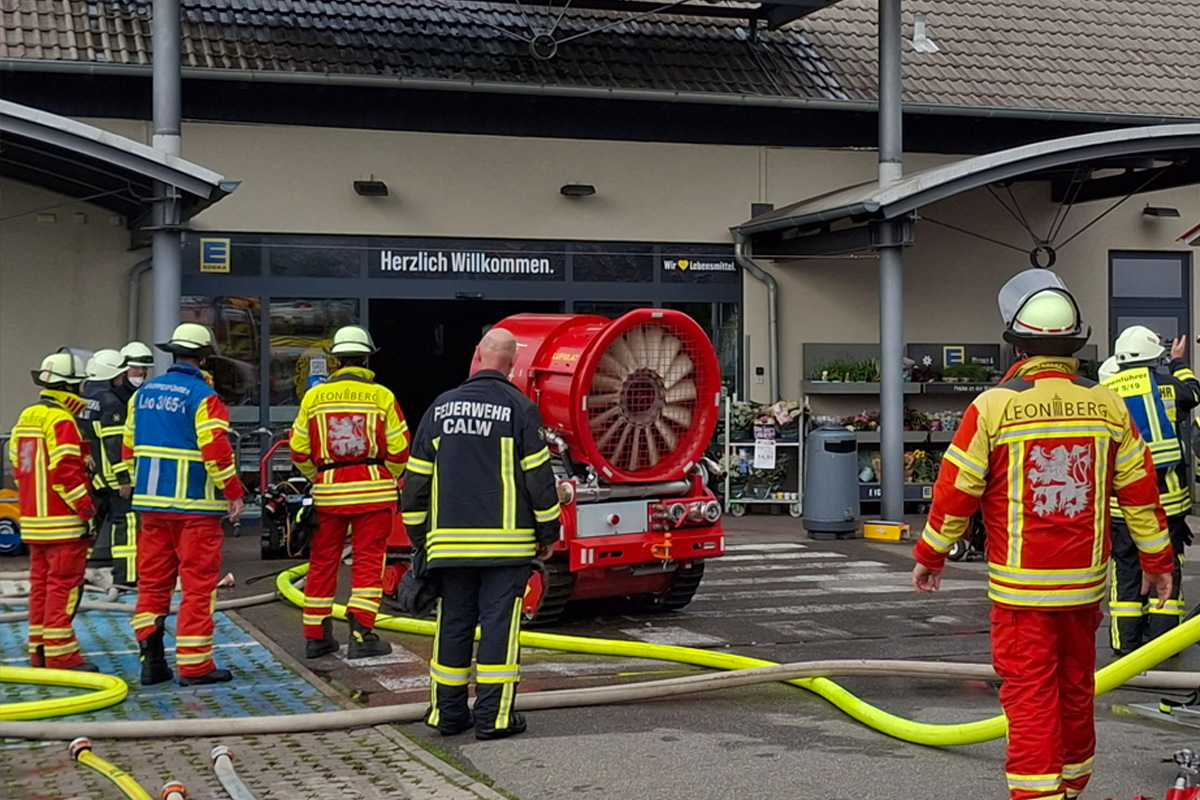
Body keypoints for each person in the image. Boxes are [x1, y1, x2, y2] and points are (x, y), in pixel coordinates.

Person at [911, 268, 1174, 800]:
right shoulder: (1107, 406)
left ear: (1016, 340)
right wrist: (1157, 561)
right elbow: (1141, 493)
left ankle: (1038, 794)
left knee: (1030, 695)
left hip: (1020, 591)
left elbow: (956, 490)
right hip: (1084, 587)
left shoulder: (993, 407)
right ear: (1074, 342)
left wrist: (931, 553)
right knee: (1076, 689)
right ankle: (1073, 786)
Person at [402, 327, 562, 741]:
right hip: (505, 548)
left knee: (452, 625)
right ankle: (494, 717)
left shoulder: (439, 409)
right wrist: (548, 532)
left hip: (449, 547)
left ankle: (448, 713)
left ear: (476, 355)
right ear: (511, 363)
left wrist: (420, 539)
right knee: (498, 629)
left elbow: (415, 484)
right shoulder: (521, 409)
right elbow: (539, 482)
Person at [122, 323, 245, 686]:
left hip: (150, 507)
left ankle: (152, 662)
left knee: (152, 584)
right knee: (197, 585)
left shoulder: (142, 394)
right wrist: (233, 492)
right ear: (205, 357)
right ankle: (194, 665)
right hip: (194, 509)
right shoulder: (204, 396)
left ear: (173, 355)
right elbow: (216, 452)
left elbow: (128, 448)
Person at [290, 325, 409, 659]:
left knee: (323, 561)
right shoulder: (382, 395)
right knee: (369, 561)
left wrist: (323, 475)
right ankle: (361, 634)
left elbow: (298, 449)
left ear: (336, 360)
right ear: (367, 358)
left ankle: (316, 637)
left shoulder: (314, 397)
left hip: (329, 494)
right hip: (374, 492)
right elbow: (400, 449)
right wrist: (387, 476)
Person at [1103, 325, 1200, 654]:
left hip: (1122, 506)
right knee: (1167, 568)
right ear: (1152, 356)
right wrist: (1177, 362)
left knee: (1126, 570)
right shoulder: (1168, 386)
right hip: (1168, 503)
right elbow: (1194, 393)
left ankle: (1124, 644)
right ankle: (1162, 644)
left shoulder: (1106, 390)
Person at [9, 352, 99, 670]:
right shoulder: (61, 419)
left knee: (42, 586)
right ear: (70, 387)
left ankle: (39, 649)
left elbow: (17, 464)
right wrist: (86, 509)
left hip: (33, 521)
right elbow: (64, 473)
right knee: (64, 587)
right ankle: (61, 655)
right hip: (63, 524)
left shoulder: (26, 416)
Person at [80, 349, 139, 586]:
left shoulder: (84, 400)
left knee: (88, 528)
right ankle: (126, 577)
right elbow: (114, 444)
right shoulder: (112, 403)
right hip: (114, 478)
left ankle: (74, 574)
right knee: (126, 526)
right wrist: (124, 477)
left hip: (93, 476)